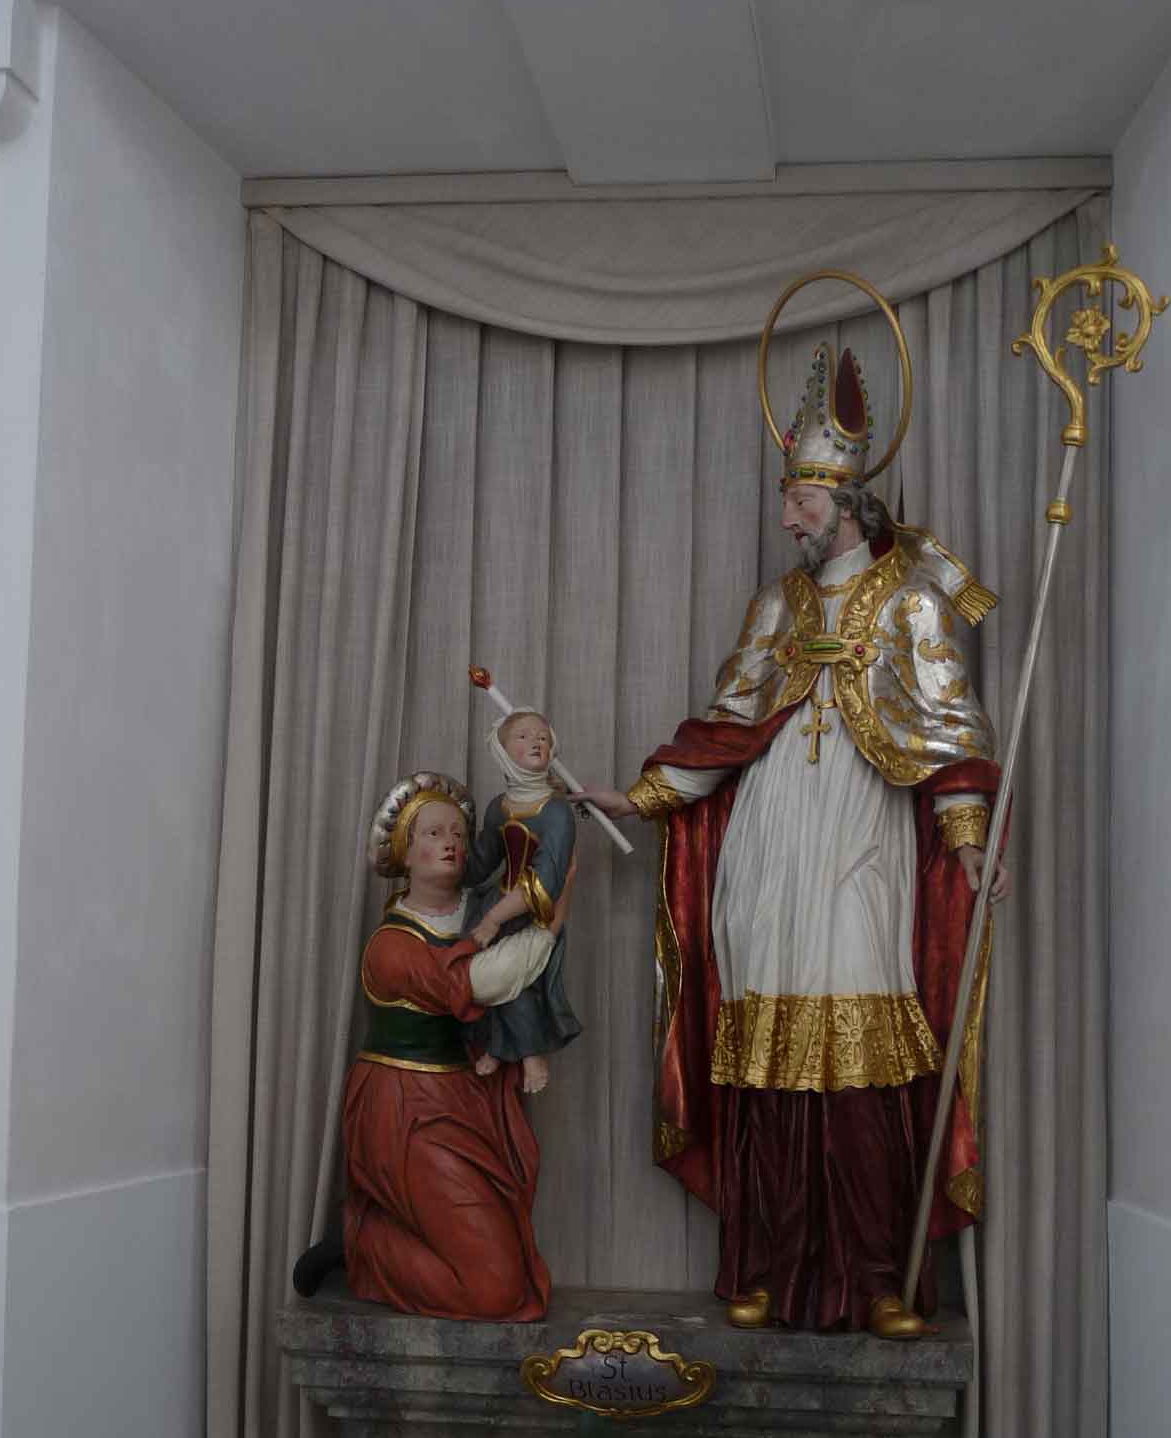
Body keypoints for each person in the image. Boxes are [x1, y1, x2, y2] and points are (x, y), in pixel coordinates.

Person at [578, 332, 1008, 1338]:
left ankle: (877, 1274)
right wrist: (642, 796)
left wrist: (966, 832)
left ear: (845, 497)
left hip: (861, 833)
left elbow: (952, 725)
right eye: (787, 498)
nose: (787, 516)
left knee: (864, 1045)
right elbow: (731, 719)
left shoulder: (911, 601)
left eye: (801, 499)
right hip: (770, 841)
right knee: (767, 1049)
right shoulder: (777, 603)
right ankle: (764, 1264)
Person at [335, 770, 574, 1322]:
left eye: (460, 834)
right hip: (406, 1110)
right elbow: (475, 982)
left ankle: (393, 1240)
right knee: (494, 1291)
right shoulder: (392, 945)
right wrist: (550, 922)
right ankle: (364, 1241)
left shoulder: (481, 910)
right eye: (433, 833)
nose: (451, 843)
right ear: (404, 850)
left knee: (503, 1264)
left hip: (469, 1100)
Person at [461, 709, 581, 1097]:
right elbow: (482, 862)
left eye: (543, 737)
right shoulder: (500, 807)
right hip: (497, 901)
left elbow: (547, 880)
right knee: (474, 972)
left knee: (517, 980)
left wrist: (495, 918)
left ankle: (531, 1053)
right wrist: (448, 859)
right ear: (501, 750)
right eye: (524, 736)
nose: (536, 742)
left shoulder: (556, 812)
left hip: (536, 910)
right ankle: (498, 1045)